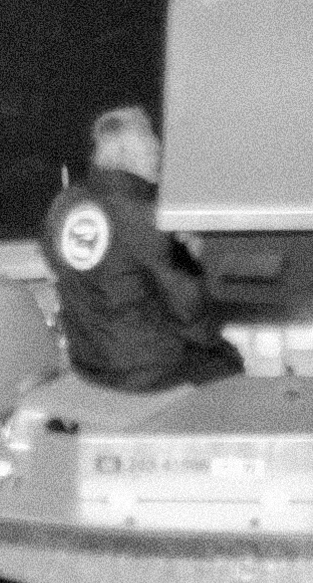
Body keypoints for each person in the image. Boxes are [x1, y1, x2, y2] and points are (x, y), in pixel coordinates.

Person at [43, 102, 245, 397]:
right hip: (148, 374)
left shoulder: (63, 207)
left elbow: (73, 267)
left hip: (89, 366)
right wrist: (192, 261)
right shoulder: (146, 216)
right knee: (230, 364)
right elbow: (190, 312)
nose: (158, 148)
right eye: (148, 140)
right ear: (125, 153)